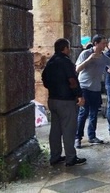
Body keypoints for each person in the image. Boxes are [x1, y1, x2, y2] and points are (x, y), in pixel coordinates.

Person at [74, 35, 110, 148]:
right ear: (96, 43)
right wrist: (90, 59)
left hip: (96, 89)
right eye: (103, 43)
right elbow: (77, 69)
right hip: (84, 88)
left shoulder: (104, 57)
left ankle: (92, 136)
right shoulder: (85, 54)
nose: (105, 45)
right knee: (83, 113)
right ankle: (77, 138)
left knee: (94, 114)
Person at [41, 38, 86, 166]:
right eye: (68, 47)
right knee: (68, 129)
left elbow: (44, 78)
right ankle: (71, 158)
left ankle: (55, 156)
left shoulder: (51, 62)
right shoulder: (66, 62)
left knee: (55, 130)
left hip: (53, 100)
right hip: (66, 101)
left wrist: (53, 88)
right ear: (65, 48)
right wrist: (79, 95)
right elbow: (72, 80)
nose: (70, 50)